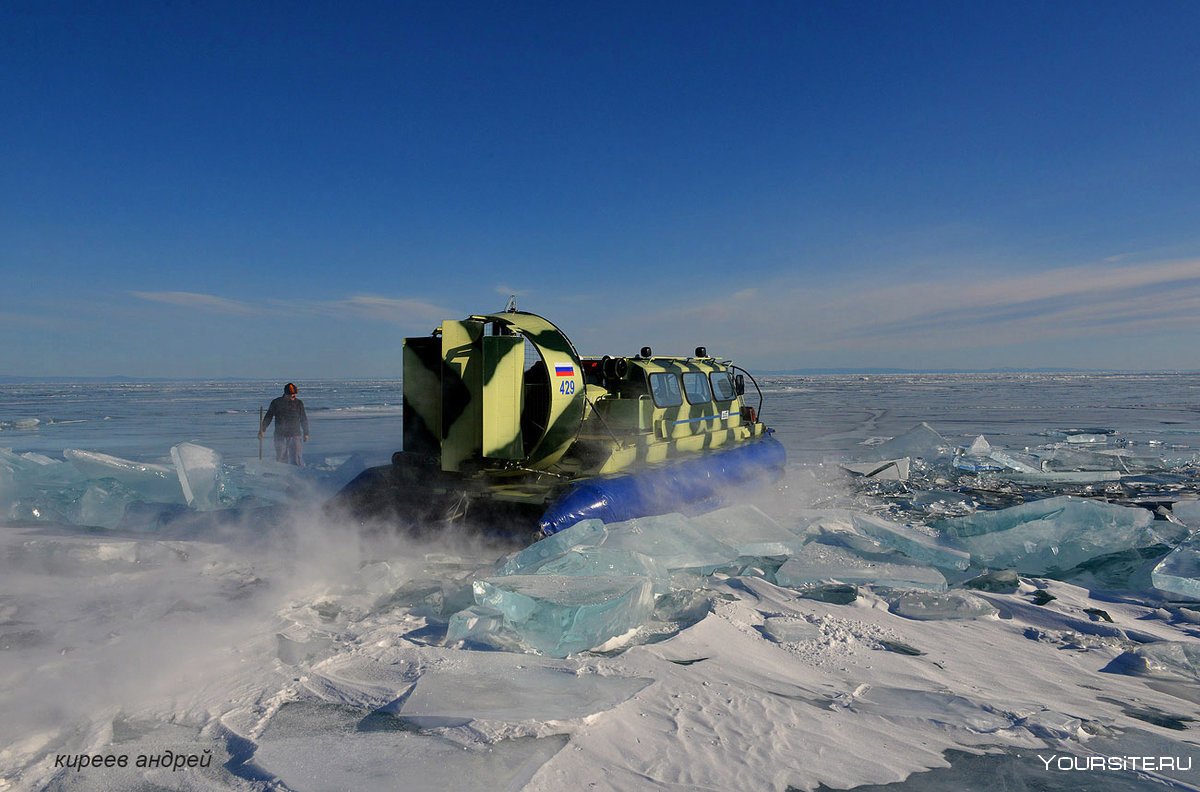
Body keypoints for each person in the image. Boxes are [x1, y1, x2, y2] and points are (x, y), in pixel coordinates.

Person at [260, 382, 310, 466]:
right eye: (292, 394)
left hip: (295, 435)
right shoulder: (276, 402)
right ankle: (282, 475)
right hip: (280, 435)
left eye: (295, 394)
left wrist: (306, 433)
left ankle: (298, 475)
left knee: (297, 458)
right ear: (286, 394)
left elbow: (303, 418)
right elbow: (269, 416)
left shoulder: (299, 403)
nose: (294, 396)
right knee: (281, 457)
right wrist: (262, 430)